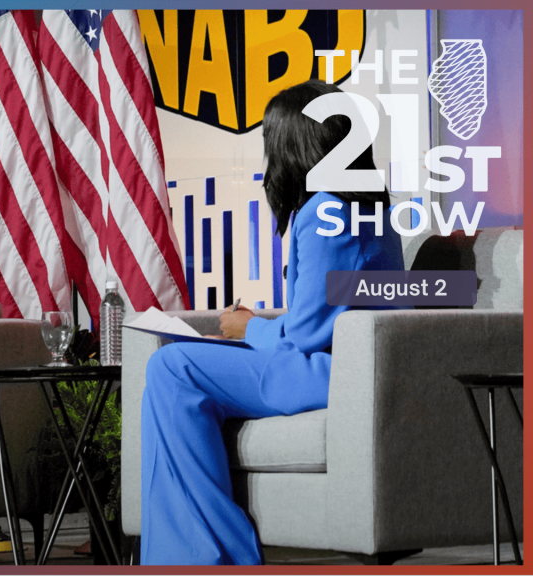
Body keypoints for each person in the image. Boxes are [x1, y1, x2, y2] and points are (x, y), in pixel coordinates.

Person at [140, 80, 405, 565]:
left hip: (330, 374)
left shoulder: (327, 208)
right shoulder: (360, 205)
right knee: (176, 366)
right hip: (336, 365)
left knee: (172, 369)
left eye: (270, 142)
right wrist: (254, 327)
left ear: (293, 143)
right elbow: (324, 313)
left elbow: (307, 336)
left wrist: (249, 329)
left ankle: (208, 557)